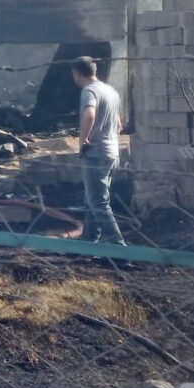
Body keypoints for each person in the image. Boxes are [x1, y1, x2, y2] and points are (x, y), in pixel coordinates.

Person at [72, 56, 127, 247]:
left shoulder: (89, 91)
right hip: (112, 153)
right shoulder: (110, 91)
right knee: (93, 201)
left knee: (99, 204)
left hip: (96, 154)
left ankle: (120, 249)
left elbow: (89, 115)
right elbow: (119, 124)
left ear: (77, 74)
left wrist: (83, 140)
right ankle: (88, 244)